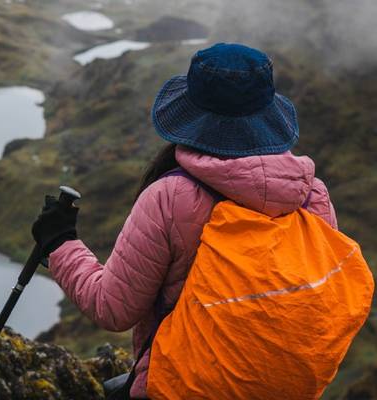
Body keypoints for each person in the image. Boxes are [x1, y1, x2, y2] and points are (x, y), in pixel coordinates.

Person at [31, 43, 339, 399]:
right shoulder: (310, 194)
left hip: (187, 385)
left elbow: (112, 308)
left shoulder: (170, 196)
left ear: (190, 115)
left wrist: (60, 243)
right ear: (268, 115)